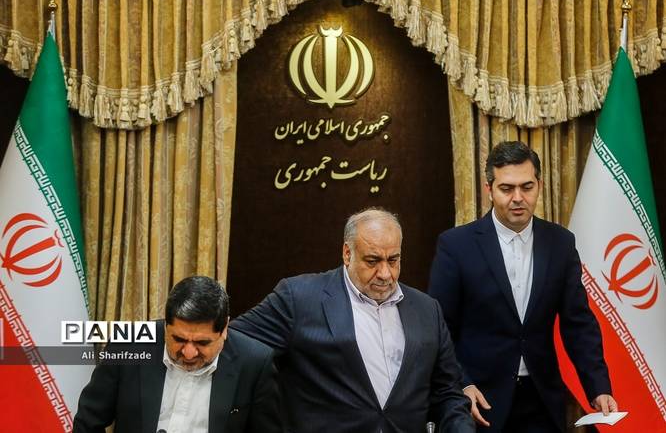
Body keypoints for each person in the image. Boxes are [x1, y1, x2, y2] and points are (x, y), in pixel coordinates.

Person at [428, 141, 618, 432]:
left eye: (527, 187)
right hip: (479, 401)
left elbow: (578, 322)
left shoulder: (561, 243)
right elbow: (439, 329)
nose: (518, 198)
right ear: (489, 189)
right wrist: (461, 384)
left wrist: (598, 386)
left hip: (541, 398)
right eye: (507, 188)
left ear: (539, 185)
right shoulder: (456, 245)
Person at [230, 208, 475, 433]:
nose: (385, 274)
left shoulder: (427, 309)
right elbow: (231, 343)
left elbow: (448, 393)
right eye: (372, 261)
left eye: (393, 260)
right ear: (347, 254)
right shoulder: (299, 299)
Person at [73, 276, 281, 433]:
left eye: (202, 342)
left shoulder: (254, 362)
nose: (188, 353)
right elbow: (88, 422)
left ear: (224, 329)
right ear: (166, 325)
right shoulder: (128, 343)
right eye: (179, 339)